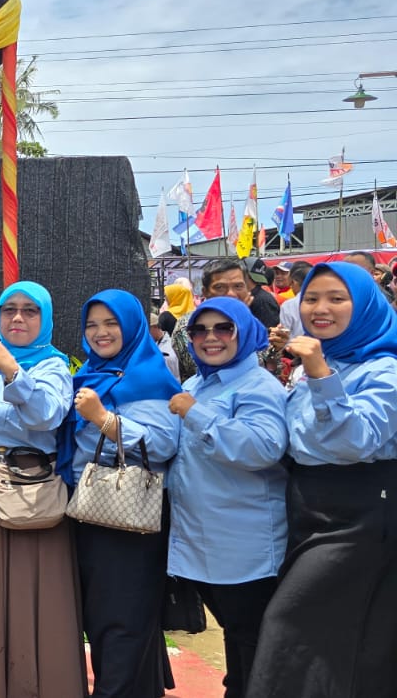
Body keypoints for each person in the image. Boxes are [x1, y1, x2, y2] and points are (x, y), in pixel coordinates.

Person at [249, 262, 397, 697]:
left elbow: (356, 441)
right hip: (310, 506)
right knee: (349, 639)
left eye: (337, 298)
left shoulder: (383, 370)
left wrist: (319, 374)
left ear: (365, 305)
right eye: (311, 298)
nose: (320, 309)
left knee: (289, 624)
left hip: (362, 513)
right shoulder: (319, 363)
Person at [0, 282, 87, 698]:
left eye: (30, 310)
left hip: (33, 483)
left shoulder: (52, 365)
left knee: (39, 580)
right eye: (8, 309)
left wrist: (12, 371)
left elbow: (47, 415)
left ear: (45, 318)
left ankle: (45, 680)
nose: (17, 318)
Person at [165, 297, 286, 698]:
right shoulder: (195, 385)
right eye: (199, 330)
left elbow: (263, 448)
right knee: (237, 639)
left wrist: (196, 414)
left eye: (223, 328)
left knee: (252, 646)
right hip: (201, 544)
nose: (210, 338)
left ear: (244, 332)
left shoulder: (258, 386)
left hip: (244, 548)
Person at [70, 290, 181, 698]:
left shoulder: (150, 377)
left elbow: (163, 444)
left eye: (111, 323)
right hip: (91, 510)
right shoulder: (92, 373)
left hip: (131, 515)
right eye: (92, 325)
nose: (100, 332)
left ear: (132, 326)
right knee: (102, 616)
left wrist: (104, 419)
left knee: (121, 618)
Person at [172, 259, 281, 382]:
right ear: (205, 292)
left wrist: (276, 349)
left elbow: (271, 369)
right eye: (220, 287)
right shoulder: (191, 325)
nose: (231, 294)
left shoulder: (251, 322)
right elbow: (211, 369)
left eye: (238, 286)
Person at [277, 262, 310, 338]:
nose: (278, 277)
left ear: (293, 282)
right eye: (277, 273)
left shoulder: (289, 305)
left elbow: (284, 334)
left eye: (283, 273)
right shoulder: (324, 301)